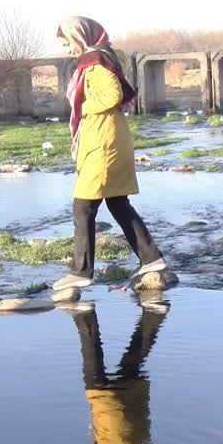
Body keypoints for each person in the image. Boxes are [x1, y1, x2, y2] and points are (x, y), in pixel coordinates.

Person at [52, 17, 167, 292]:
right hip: (106, 139)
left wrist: (83, 106)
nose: (67, 49)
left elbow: (113, 95)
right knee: (117, 202)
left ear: (80, 36)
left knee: (83, 207)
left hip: (104, 143)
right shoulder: (97, 59)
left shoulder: (96, 62)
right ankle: (152, 259)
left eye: (67, 43)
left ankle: (81, 272)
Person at [71, 305, 166, 444]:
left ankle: (154, 313)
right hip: (114, 421)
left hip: (136, 420)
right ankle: (84, 314)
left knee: (131, 368)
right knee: (92, 364)